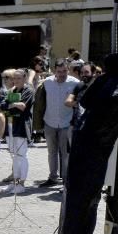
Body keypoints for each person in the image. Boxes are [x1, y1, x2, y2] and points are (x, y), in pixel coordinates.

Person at [35, 59, 79, 187]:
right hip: (49, 122)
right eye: (59, 71)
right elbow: (39, 102)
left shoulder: (75, 83)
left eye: (64, 71)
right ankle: (52, 177)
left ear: (68, 70)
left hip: (67, 123)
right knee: (51, 152)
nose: (62, 74)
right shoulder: (47, 83)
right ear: (54, 71)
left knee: (65, 153)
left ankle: (66, 180)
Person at [0, 68, 34, 193]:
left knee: (21, 155)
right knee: (14, 156)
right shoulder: (11, 90)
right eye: (14, 78)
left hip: (21, 126)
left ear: (25, 78)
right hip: (10, 126)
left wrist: (11, 104)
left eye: (19, 78)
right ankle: (14, 182)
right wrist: (13, 105)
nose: (16, 80)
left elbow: (22, 106)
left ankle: (22, 184)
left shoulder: (28, 91)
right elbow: (3, 106)